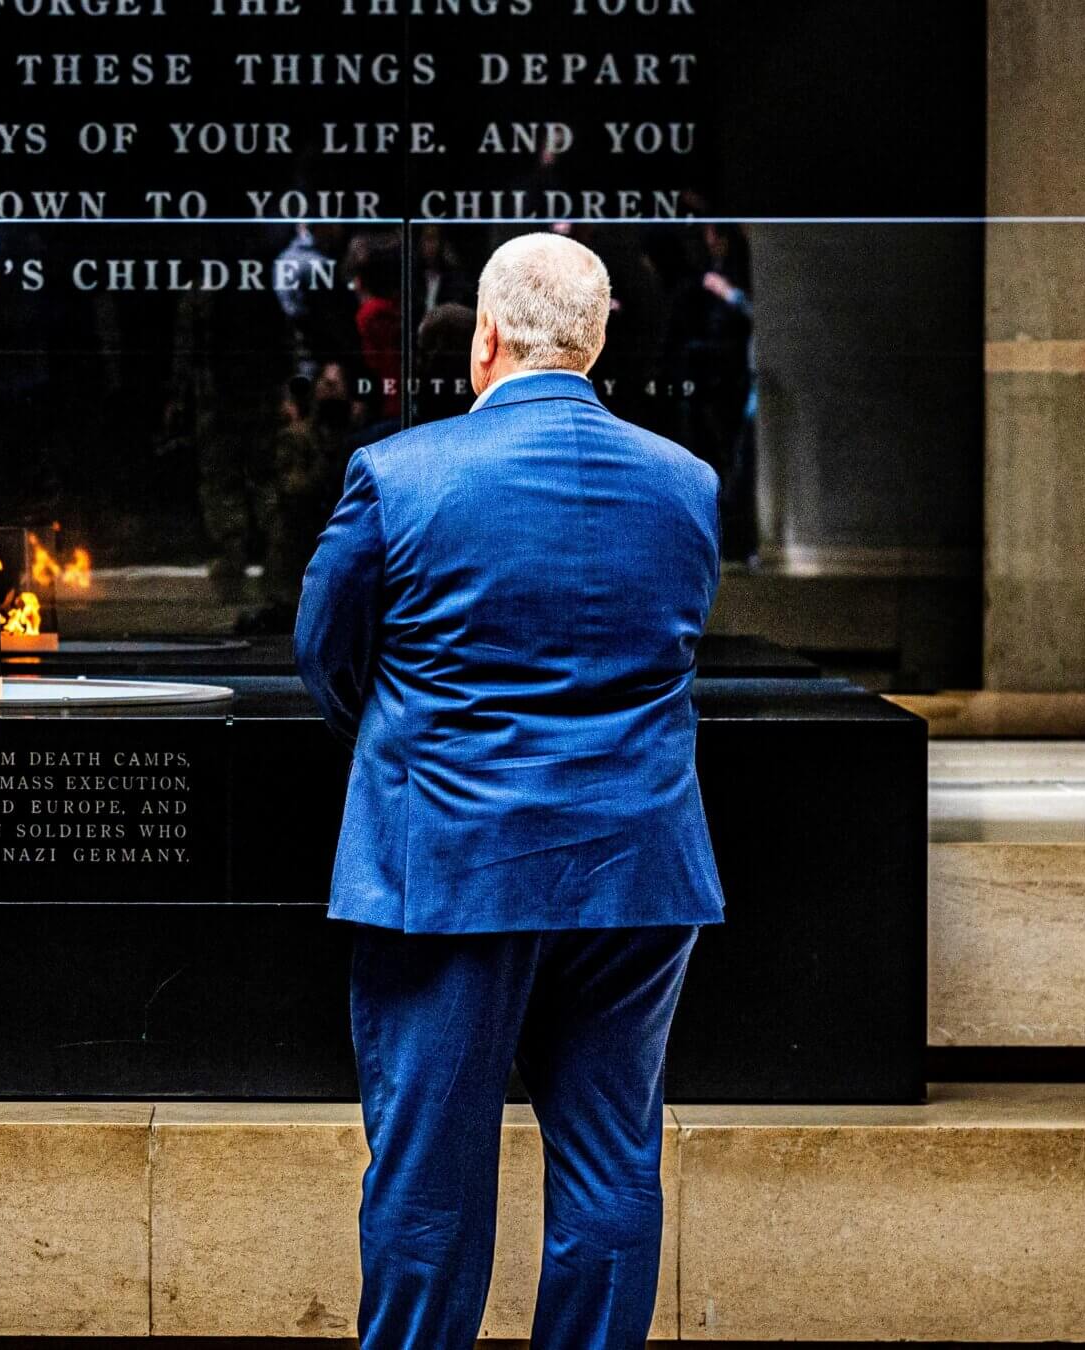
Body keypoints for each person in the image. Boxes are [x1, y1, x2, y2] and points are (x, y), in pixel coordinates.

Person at [294, 232, 724, 1350]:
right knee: (612, 1161)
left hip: (448, 865)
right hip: (638, 869)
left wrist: (407, 741)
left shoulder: (400, 476)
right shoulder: (689, 484)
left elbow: (324, 652)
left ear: (483, 336)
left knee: (429, 1178)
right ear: (598, 338)